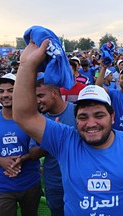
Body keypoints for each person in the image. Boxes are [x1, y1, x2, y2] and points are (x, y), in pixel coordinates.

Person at [12, 39, 123, 215]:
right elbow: (23, 115)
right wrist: (26, 65)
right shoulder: (65, 141)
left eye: (99, 115)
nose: (91, 123)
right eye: (83, 116)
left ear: (112, 116)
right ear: (75, 119)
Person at [0, 73, 41, 216]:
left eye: (11, 90)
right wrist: (1, 161)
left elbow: (39, 150)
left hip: (30, 184)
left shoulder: (33, 119)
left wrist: (23, 158)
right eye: (1, 91)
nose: (5, 95)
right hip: (1, 187)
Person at [28, 73, 76, 216]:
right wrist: (52, 138)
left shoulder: (78, 112)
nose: (37, 101)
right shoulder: (39, 121)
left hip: (79, 182)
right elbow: (33, 154)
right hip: (54, 185)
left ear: (55, 93)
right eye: (35, 97)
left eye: (40, 96)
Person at [95, 64, 123, 131]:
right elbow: (98, 87)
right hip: (115, 133)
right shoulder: (114, 93)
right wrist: (104, 67)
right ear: (119, 81)